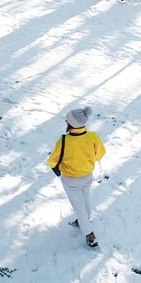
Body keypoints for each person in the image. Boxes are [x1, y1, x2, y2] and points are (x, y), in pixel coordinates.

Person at [46, 106, 106, 247]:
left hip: (71, 179)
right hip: (87, 175)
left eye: (67, 121)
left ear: (71, 123)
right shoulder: (93, 137)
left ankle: (90, 235)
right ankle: (82, 221)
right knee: (85, 200)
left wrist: (58, 167)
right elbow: (99, 155)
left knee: (79, 206)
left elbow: (52, 161)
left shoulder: (64, 140)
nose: (66, 122)